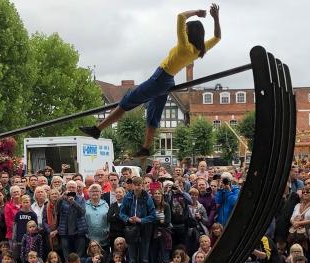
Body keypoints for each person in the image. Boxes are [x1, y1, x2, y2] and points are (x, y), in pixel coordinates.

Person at [79, 4, 221, 157]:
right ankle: (145, 148)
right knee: (153, 114)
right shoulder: (199, 50)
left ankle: (97, 130)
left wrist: (196, 12)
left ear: (190, 32)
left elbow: (180, 16)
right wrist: (216, 18)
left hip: (160, 78)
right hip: (168, 82)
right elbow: (217, 37)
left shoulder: (184, 46)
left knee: (125, 103)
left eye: (186, 29)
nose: (184, 30)